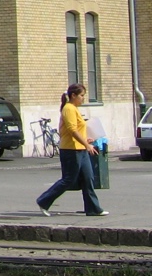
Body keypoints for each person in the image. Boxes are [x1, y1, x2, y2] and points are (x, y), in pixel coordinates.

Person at [36, 84, 106, 217]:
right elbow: (72, 130)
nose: (83, 98)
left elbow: (77, 130)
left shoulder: (74, 109)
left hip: (80, 149)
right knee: (68, 179)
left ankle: (93, 209)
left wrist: (86, 140)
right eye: (81, 96)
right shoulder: (68, 109)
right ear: (73, 95)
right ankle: (43, 201)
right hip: (70, 150)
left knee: (88, 178)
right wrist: (87, 144)